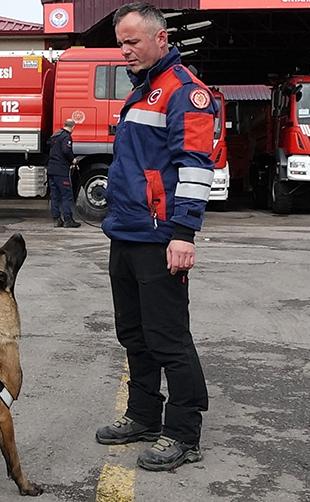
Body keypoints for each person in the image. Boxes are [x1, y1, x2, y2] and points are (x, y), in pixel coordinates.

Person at [96, 2, 217, 472]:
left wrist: (184, 234)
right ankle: (144, 416)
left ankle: (184, 434)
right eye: (121, 43)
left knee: (168, 339)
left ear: (161, 38)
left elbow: (196, 168)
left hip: (160, 237)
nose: (125, 51)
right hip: (127, 233)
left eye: (133, 41)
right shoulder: (143, 90)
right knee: (134, 334)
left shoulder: (184, 92)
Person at [46, 118, 81, 228]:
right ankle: (68, 220)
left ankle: (57, 220)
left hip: (51, 169)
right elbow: (66, 150)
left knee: (55, 196)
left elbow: (49, 145)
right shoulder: (66, 136)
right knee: (66, 195)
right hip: (61, 170)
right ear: (73, 127)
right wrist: (73, 160)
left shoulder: (56, 135)